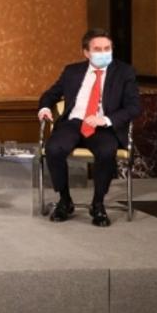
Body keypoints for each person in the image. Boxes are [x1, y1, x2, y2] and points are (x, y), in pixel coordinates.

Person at [38, 28, 140, 227]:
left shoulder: (124, 72)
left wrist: (107, 119)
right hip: (74, 122)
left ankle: (98, 203)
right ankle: (65, 200)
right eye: (98, 49)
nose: (103, 52)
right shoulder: (72, 71)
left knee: (106, 150)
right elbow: (50, 94)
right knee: (53, 148)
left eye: (107, 48)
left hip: (103, 125)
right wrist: (44, 108)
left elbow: (134, 107)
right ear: (86, 52)